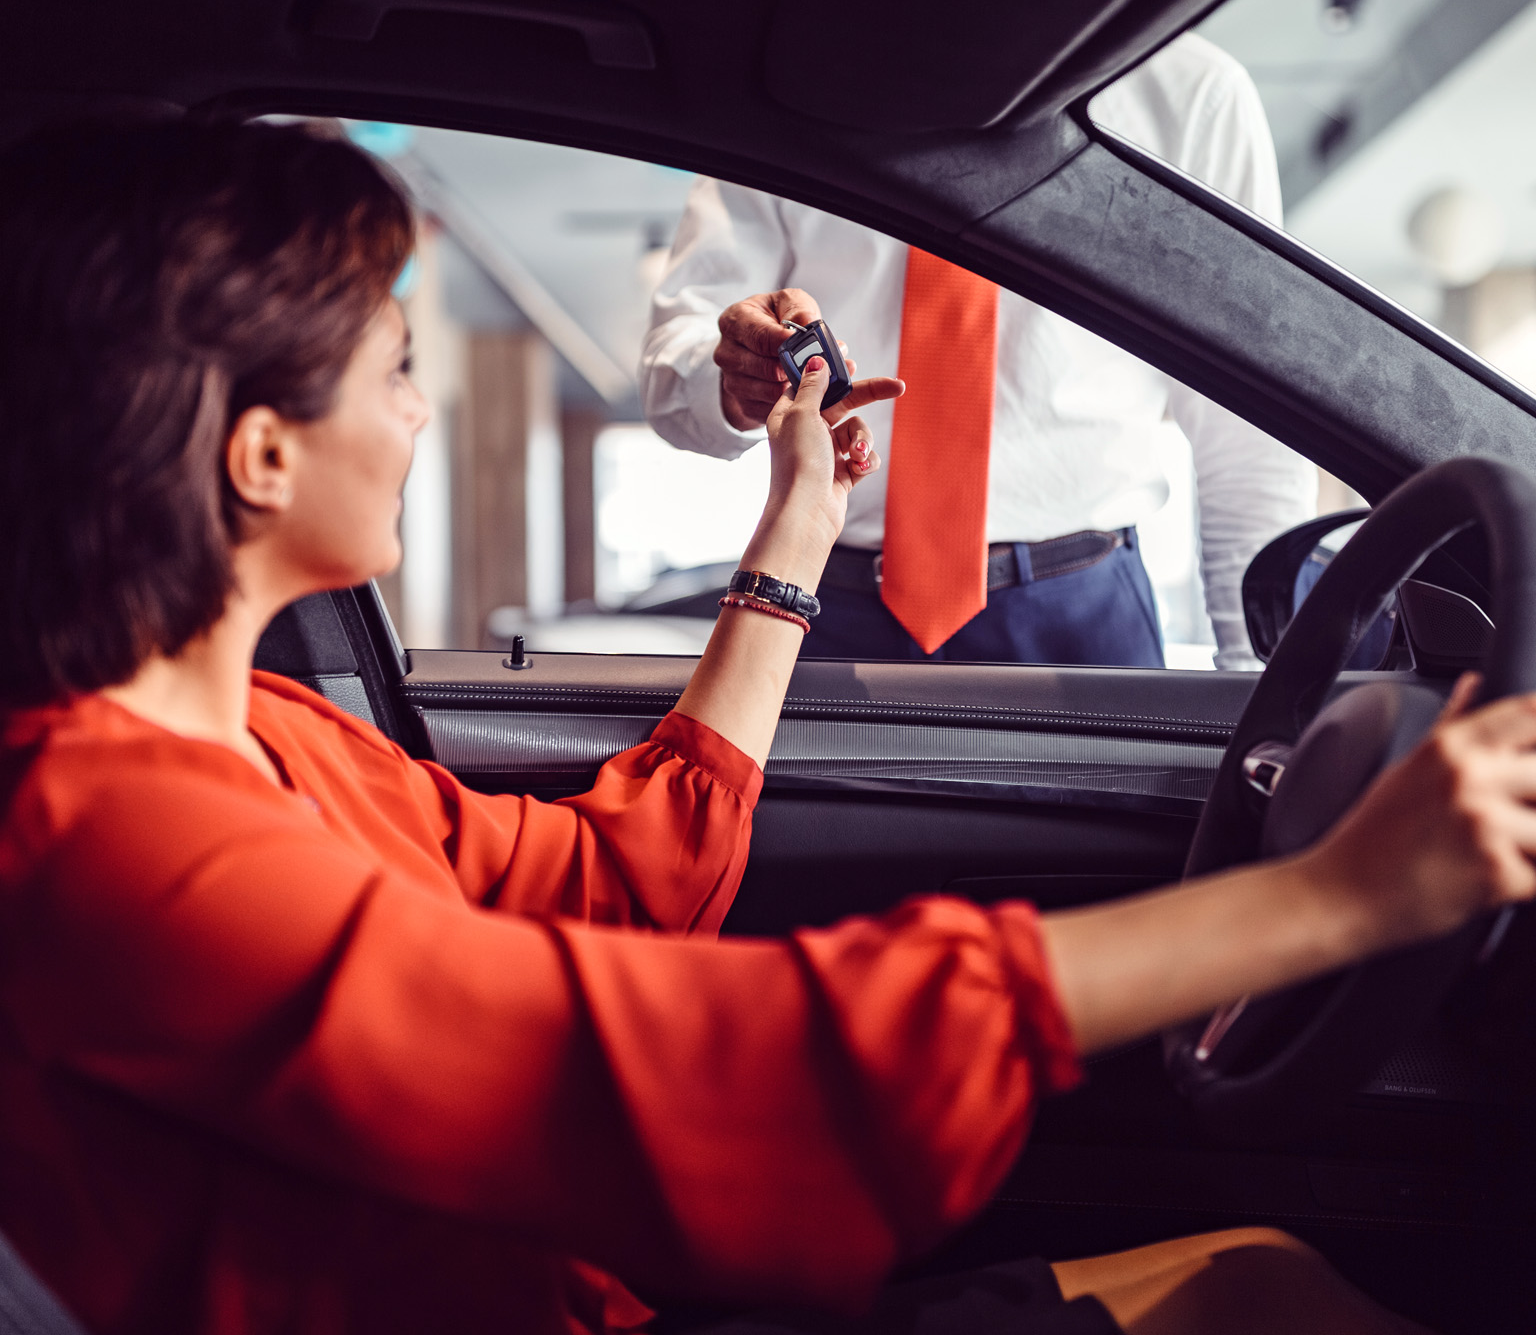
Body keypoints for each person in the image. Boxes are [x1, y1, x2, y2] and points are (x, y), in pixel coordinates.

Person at [0, 118, 1529, 1335]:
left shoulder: (263, 739)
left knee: (1256, 1277)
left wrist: (804, 514)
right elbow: (715, 1071)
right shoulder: (115, 845)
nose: (418, 410)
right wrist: (1335, 898)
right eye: (400, 367)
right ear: (262, 455)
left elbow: (623, 870)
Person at [639, 33, 1317, 669]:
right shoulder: (788, 84)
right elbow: (677, 363)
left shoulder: (1191, 93)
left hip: (1082, 618)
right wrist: (733, 382)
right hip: (823, 602)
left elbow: (1247, 433)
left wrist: (1264, 690)